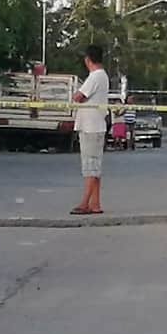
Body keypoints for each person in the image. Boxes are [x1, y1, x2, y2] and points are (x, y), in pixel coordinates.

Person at [72, 45, 109, 215]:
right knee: (95, 167)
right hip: (94, 125)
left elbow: (79, 96)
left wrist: (76, 94)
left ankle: (84, 203)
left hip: (91, 127)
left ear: (88, 59)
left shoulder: (95, 76)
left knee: (90, 167)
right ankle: (95, 203)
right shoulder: (102, 76)